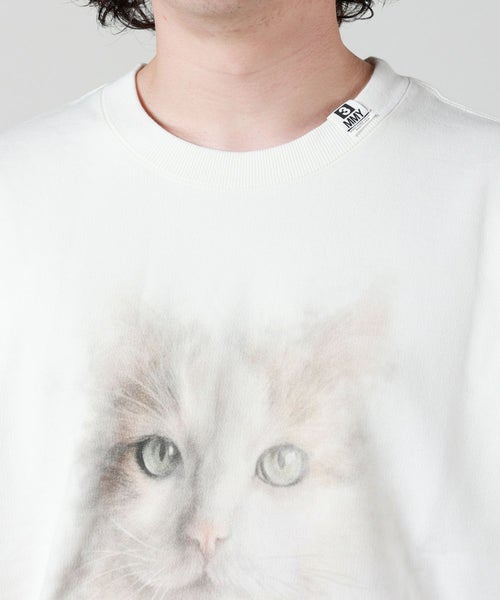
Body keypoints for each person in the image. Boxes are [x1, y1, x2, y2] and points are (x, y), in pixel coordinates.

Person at [0, 0, 499, 598]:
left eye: (280, 467)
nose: (207, 531)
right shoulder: (15, 199)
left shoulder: (483, 193)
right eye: (159, 455)